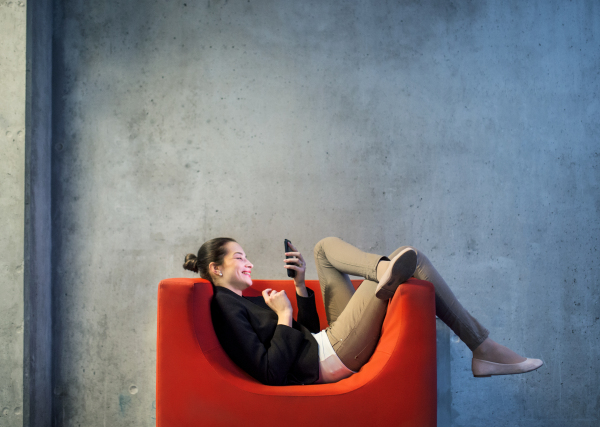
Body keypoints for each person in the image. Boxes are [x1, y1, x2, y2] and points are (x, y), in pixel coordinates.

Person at [183, 237, 543, 386]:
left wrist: (298, 285)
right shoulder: (224, 307)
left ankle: (383, 272)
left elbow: (304, 333)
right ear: (216, 269)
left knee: (323, 248)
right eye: (240, 258)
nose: (248, 263)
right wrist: (282, 316)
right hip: (327, 360)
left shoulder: (243, 300)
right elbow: (270, 371)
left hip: (324, 342)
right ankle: (483, 347)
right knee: (414, 260)